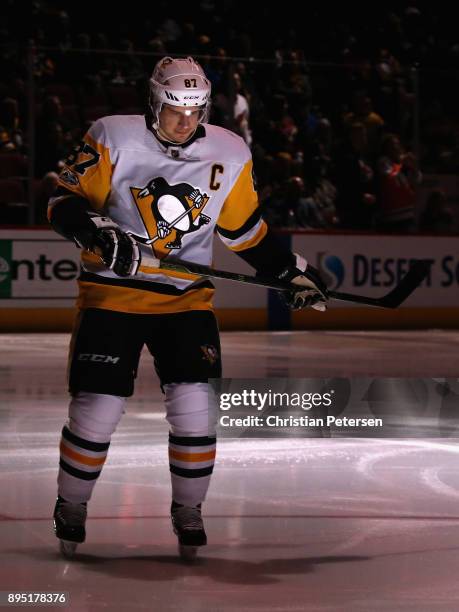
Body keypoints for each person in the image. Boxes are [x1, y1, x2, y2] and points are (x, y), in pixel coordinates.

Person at [48, 56, 328, 560]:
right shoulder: (112, 134)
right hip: (113, 294)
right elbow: (62, 202)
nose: (186, 121)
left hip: (187, 301)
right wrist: (96, 231)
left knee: (196, 412)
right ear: (154, 102)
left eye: (196, 110)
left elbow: (245, 234)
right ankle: (72, 503)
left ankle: (189, 508)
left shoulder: (229, 149)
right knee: (98, 409)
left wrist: (290, 271)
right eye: (175, 109)